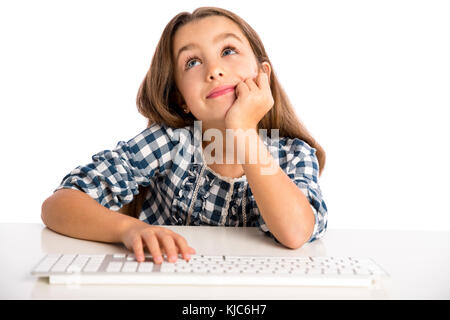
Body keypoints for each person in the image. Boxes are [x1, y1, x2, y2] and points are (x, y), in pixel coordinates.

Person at [41, 7, 328, 265]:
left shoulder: (294, 154)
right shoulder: (170, 143)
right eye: (192, 62)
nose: (214, 70)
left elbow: (295, 233)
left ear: (262, 75)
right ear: (182, 100)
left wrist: (242, 128)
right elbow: (58, 205)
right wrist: (129, 230)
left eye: (228, 51)